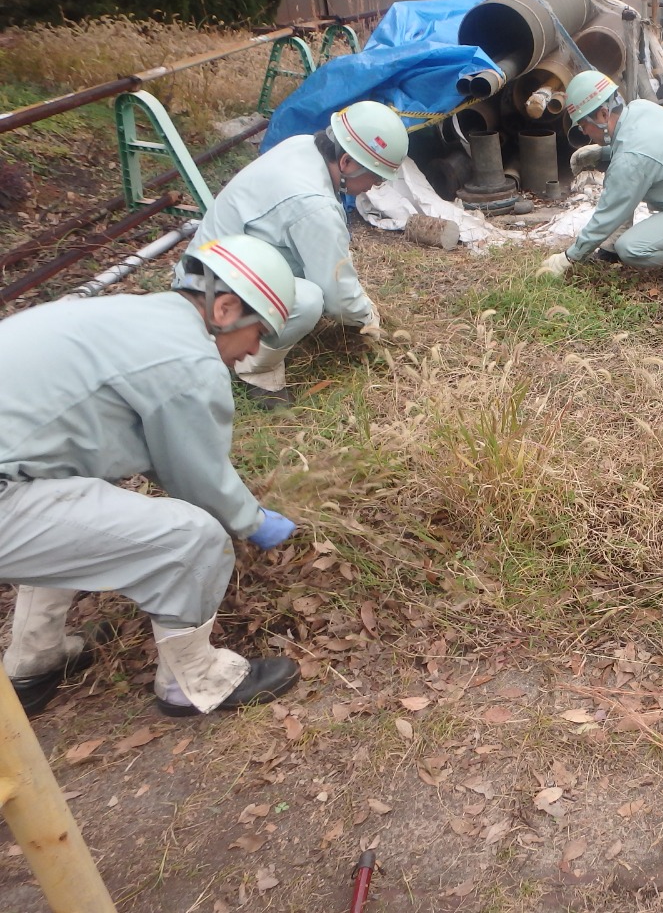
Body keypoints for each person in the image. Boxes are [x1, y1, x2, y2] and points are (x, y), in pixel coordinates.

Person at [0, 235, 305, 717]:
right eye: (259, 332)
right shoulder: (188, 358)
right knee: (195, 537)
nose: (253, 352)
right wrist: (252, 520)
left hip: (15, 480)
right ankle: (194, 681)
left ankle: (35, 661)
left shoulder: (133, 317)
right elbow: (197, 479)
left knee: (70, 494)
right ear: (225, 308)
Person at [182, 100, 409, 408]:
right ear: (346, 162)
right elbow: (339, 301)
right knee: (309, 300)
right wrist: (369, 319)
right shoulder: (313, 204)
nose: (375, 186)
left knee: (312, 277)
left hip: (208, 267)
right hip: (210, 297)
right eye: (376, 177)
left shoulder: (303, 146)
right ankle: (253, 368)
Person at [536, 71, 663, 281]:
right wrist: (604, 153)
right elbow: (645, 151)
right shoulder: (640, 108)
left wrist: (569, 257)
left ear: (603, 114)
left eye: (583, 125)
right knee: (618, 176)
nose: (584, 133)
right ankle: (612, 244)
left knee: (631, 249)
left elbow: (608, 213)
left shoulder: (630, 159)